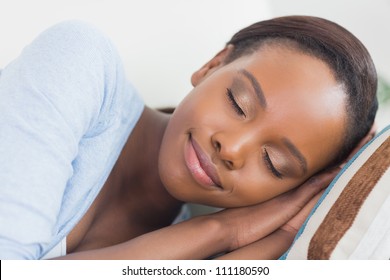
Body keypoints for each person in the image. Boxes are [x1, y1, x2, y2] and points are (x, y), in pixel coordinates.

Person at [0, 15, 377, 260]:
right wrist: (219, 230)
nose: (231, 148)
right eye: (238, 102)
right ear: (213, 65)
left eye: (273, 163)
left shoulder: (197, 256)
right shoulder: (80, 61)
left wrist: (238, 236)